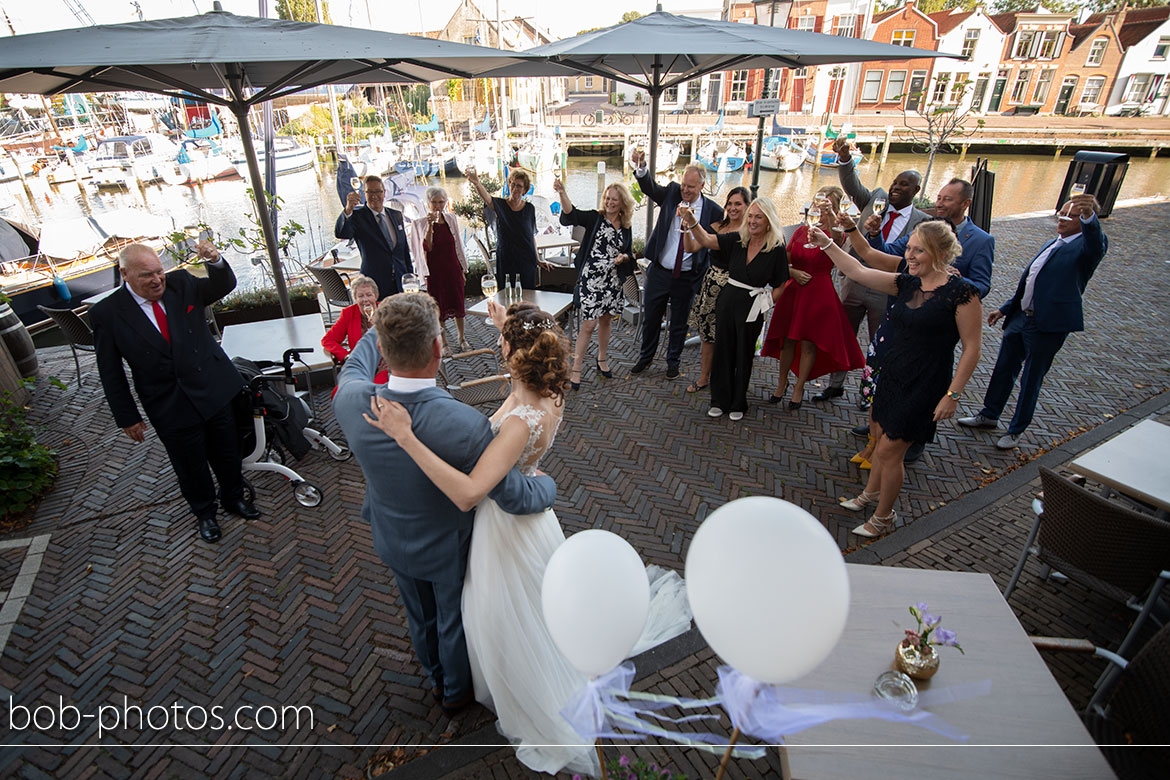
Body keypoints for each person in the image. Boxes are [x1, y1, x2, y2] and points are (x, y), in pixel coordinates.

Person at [365, 301, 691, 775]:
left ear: (516, 353)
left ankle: (523, 683)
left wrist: (407, 438)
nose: (498, 346)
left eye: (503, 342)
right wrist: (509, 328)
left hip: (505, 531)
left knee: (508, 614)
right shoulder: (548, 394)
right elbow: (515, 396)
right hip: (537, 525)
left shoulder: (521, 421)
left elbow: (470, 492)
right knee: (539, 605)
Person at [331, 294, 556, 719]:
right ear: (438, 349)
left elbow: (353, 369)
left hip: (392, 536)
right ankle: (455, 693)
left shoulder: (352, 400)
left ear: (382, 349)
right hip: (448, 543)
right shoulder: (464, 424)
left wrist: (379, 324)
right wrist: (548, 490)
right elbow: (512, 494)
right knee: (450, 620)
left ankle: (435, 678)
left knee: (420, 616)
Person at [809, 221, 982, 537]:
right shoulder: (906, 283)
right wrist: (826, 243)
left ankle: (884, 516)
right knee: (880, 436)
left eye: (918, 250)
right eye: (909, 248)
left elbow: (972, 348)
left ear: (940, 253)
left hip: (925, 383)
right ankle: (870, 495)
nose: (910, 255)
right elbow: (859, 271)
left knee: (889, 451)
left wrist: (953, 395)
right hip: (892, 374)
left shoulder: (962, 293)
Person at [90, 241, 259, 543]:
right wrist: (127, 416)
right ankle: (205, 513)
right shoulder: (108, 313)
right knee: (189, 463)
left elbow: (224, 284)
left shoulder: (181, 284)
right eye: (146, 276)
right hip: (168, 402)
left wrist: (216, 259)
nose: (156, 280)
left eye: (159, 272)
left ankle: (234, 498)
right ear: (125, 274)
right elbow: (110, 370)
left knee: (227, 450)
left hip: (211, 388)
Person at [959, 194, 1107, 450]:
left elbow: (1097, 243)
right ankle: (989, 415)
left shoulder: (1086, 247)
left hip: (1047, 325)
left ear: (1083, 219)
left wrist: (1088, 219)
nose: (1062, 218)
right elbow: (1030, 281)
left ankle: (1016, 430)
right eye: (1061, 212)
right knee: (1004, 368)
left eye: (1071, 215)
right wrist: (1006, 309)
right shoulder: (1053, 243)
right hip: (1020, 318)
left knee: (1031, 378)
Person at [816, 137, 928, 407]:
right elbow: (851, 184)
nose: (895, 187)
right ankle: (835, 385)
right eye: (894, 182)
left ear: (916, 189)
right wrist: (845, 158)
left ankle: (871, 391)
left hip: (886, 288)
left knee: (881, 343)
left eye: (903, 184)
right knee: (842, 334)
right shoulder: (876, 198)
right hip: (854, 281)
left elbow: (900, 255)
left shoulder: (922, 222)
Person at [684, 197, 789, 421]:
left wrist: (767, 302)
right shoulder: (737, 240)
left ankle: (738, 402)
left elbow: (781, 284)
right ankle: (718, 400)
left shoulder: (777, 248)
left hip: (753, 305)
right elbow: (706, 239)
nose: (752, 221)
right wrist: (691, 220)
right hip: (728, 300)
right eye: (750, 216)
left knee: (743, 355)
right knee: (722, 351)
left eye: (758, 217)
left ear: (768, 220)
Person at [761, 186, 864, 410]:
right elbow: (782, 261)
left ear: (835, 208)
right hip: (794, 291)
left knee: (808, 343)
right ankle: (781, 383)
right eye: (819, 203)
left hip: (818, 293)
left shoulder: (836, 234)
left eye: (827, 204)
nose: (821, 208)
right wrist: (793, 273)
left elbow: (837, 237)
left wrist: (831, 215)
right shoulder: (800, 232)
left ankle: (799, 387)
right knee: (787, 340)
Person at [629, 152, 724, 378]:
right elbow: (650, 188)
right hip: (660, 271)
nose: (686, 190)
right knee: (651, 317)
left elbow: (720, 240)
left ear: (701, 186)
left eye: (691, 187)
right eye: (684, 185)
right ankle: (646, 357)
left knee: (679, 322)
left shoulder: (713, 211)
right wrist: (641, 167)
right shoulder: (672, 193)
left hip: (688, 276)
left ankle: (673, 361)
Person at [552, 177, 635, 389]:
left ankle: (602, 359)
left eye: (614, 199)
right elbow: (571, 214)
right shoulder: (595, 218)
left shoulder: (626, 226)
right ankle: (576, 367)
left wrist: (624, 258)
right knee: (588, 324)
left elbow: (628, 251)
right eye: (607, 198)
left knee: (606, 320)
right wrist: (562, 192)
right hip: (592, 279)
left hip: (613, 281)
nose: (609, 202)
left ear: (622, 202)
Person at [685, 186, 750, 394]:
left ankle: (727, 380)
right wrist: (685, 228)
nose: (732, 208)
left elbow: (706, 241)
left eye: (738, 204)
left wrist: (692, 222)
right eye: (729, 203)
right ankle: (704, 377)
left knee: (730, 337)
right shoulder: (716, 226)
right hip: (711, 286)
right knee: (707, 336)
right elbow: (691, 248)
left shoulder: (749, 234)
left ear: (747, 206)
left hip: (734, 288)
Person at [409, 186, 470, 354]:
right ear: (428, 203)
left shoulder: (451, 219)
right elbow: (426, 247)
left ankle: (461, 337)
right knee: (439, 309)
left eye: (441, 202)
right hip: (435, 273)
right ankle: (444, 342)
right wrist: (430, 225)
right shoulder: (419, 223)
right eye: (434, 202)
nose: (437, 205)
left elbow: (457, 244)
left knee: (458, 305)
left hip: (452, 269)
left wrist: (462, 269)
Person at [335, 174, 412, 300]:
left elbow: (404, 250)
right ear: (364, 193)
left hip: (400, 281)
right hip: (374, 283)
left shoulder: (396, 215)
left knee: (404, 318)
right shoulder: (357, 217)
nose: (374, 196)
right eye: (370, 192)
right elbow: (342, 233)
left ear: (384, 193)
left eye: (378, 191)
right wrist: (348, 209)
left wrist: (409, 276)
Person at [468, 167, 539, 290]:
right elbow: (487, 198)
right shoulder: (500, 205)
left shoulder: (530, 209)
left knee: (528, 297)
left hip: (527, 260)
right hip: (507, 259)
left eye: (519, 186)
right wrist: (477, 183)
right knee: (506, 295)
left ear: (525, 190)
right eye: (513, 184)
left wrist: (538, 259)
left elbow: (531, 235)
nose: (515, 188)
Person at [320, 274, 388, 386]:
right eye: (360, 296)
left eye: (369, 295)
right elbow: (328, 340)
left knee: (374, 388)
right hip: (360, 365)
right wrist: (346, 356)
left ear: (375, 296)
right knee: (337, 392)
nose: (365, 299)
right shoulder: (348, 314)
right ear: (355, 299)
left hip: (385, 365)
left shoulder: (387, 312)